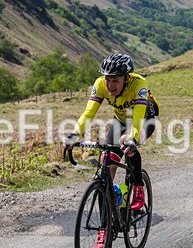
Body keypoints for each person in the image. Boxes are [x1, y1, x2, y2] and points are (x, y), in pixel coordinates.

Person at [64, 53, 159, 215]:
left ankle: (137, 186)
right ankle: (105, 224)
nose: (110, 85)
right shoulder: (100, 84)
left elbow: (137, 121)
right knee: (107, 168)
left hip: (144, 120)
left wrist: (131, 138)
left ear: (126, 79)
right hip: (120, 121)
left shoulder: (139, 84)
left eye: (115, 80)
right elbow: (88, 114)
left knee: (127, 144)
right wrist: (74, 134)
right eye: (108, 79)